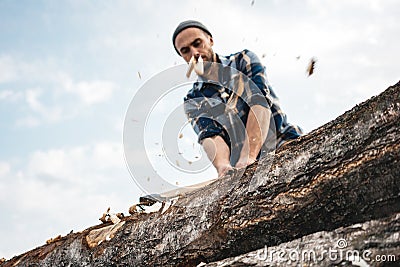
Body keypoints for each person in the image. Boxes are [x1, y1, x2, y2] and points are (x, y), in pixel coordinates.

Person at [173, 20, 302, 177]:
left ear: (210, 40)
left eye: (197, 43)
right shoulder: (193, 99)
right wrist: (223, 166)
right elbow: (211, 135)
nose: (194, 53)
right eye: (185, 50)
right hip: (243, 172)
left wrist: (249, 156)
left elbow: (258, 103)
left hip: (281, 144)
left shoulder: (243, 61)